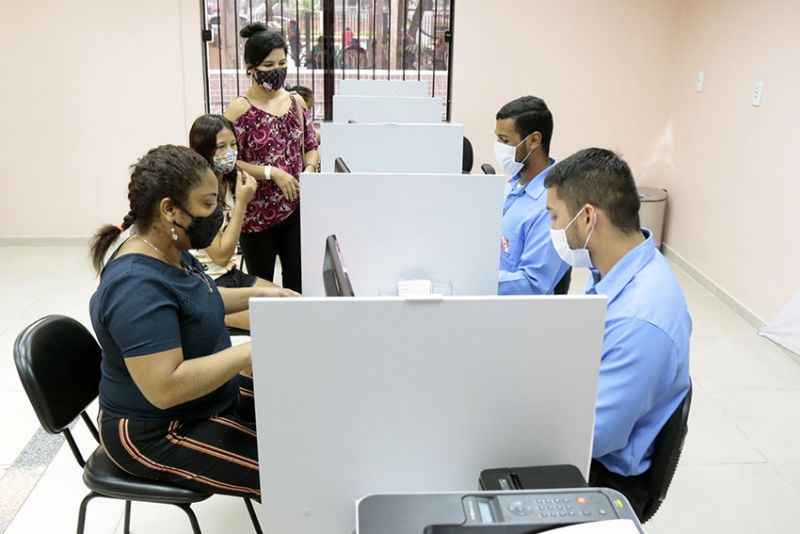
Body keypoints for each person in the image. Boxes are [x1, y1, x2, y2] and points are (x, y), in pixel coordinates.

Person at [89, 145, 298, 499]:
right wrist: (252, 351)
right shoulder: (135, 286)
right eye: (207, 204)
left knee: (300, 407)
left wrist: (266, 296)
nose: (216, 214)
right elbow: (165, 387)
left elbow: (198, 300)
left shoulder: (170, 248)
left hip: (205, 400)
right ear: (170, 209)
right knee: (298, 475)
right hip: (156, 430)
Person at [543, 148, 691, 517]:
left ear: (588, 216)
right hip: (587, 434)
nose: (554, 230)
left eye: (555, 217)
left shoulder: (642, 319)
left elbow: (593, 436)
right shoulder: (621, 271)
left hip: (606, 479)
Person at [224, 23, 320, 292]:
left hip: (296, 209)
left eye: (281, 63)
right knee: (263, 288)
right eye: (268, 65)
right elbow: (229, 160)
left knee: (298, 284)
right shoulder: (238, 110)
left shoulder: (296, 103)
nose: (277, 71)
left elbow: (311, 146)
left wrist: (310, 168)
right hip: (255, 215)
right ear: (251, 67)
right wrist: (270, 172)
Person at [188, 114, 289, 330]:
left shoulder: (229, 179)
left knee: (292, 304)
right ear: (204, 151)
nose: (230, 153)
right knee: (278, 325)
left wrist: (274, 173)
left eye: (233, 144)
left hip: (232, 275)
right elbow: (222, 255)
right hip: (209, 284)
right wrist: (242, 203)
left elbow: (253, 170)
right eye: (221, 147)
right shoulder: (200, 192)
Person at [494, 96, 568, 295]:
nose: (499, 147)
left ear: (534, 141)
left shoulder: (551, 204)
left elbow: (533, 284)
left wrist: (475, 279)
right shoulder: (513, 184)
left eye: (505, 140)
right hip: (490, 297)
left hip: (519, 312)